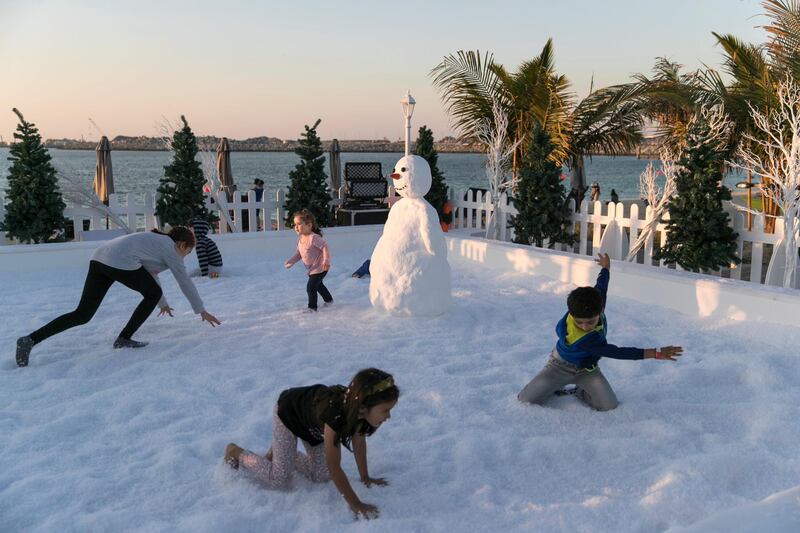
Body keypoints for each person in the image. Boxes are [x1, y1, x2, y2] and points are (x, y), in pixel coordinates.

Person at [15, 227, 222, 367]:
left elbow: (150, 276)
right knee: (152, 293)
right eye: (188, 251)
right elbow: (183, 280)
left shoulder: (155, 244)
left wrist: (162, 303)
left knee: (83, 314)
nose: (185, 255)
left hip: (99, 259)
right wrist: (201, 310)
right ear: (181, 244)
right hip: (118, 260)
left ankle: (29, 340)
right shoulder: (169, 247)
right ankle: (124, 338)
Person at [223, 368, 399, 520]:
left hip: (312, 426)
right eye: (385, 410)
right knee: (278, 477)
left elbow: (359, 444)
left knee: (320, 475)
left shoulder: (359, 412)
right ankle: (236, 451)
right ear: (365, 405)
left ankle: (282, 450)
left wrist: (365, 477)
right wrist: (356, 504)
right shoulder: (336, 417)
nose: (388, 416)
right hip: (289, 413)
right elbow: (334, 466)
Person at [517, 253, 683, 411]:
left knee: (609, 406)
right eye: (578, 322)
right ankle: (553, 385)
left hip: (587, 369)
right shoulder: (584, 339)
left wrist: (605, 268)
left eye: (590, 321)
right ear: (571, 314)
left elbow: (601, 286)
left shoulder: (597, 302)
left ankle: (580, 391)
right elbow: (617, 352)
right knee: (525, 400)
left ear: (600, 310)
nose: (584, 326)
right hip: (559, 367)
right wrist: (656, 353)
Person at [284, 209, 332, 312]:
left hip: (321, 267)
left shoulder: (313, 237)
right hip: (312, 269)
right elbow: (299, 254)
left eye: (299, 224)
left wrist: (326, 261)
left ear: (309, 225)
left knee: (311, 287)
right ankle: (329, 300)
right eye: (294, 224)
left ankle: (312, 308)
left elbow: (325, 247)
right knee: (318, 285)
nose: (296, 227)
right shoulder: (300, 239)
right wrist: (291, 261)